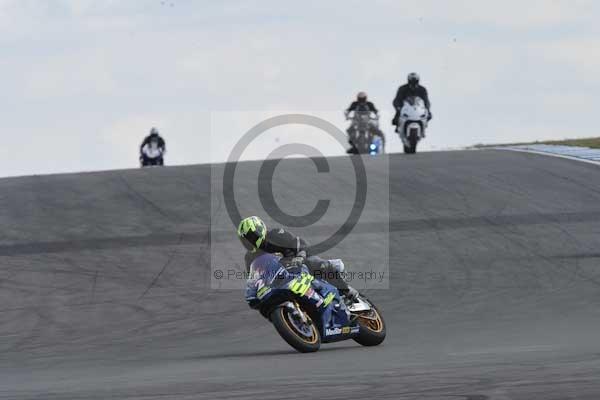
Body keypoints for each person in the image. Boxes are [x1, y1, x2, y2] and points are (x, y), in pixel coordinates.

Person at [237, 216, 359, 301]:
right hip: (282, 278)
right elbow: (254, 278)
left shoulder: (275, 234)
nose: (249, 242)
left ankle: (345, 290)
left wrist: (300, 256)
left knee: (317, 264)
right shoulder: (250, 257)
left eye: (251, 237)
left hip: (299, 262)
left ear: (259, 230)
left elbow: (297, 241)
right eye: (245, 239)